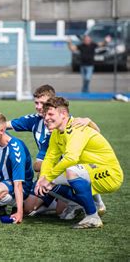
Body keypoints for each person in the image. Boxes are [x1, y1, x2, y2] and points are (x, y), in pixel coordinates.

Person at [35, 97, 123, 229]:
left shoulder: (76, 128)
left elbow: (71, 158)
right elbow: (50, 158)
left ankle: (93, 216)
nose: (46, 118)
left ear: (63, 114)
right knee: (45, 183)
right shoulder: (56, 133)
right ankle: (87, 205)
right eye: (45, 114)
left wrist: (49, 177)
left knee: (72, 171)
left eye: (50, 114)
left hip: (110, 173)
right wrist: (43, 178)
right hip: (87, 171)